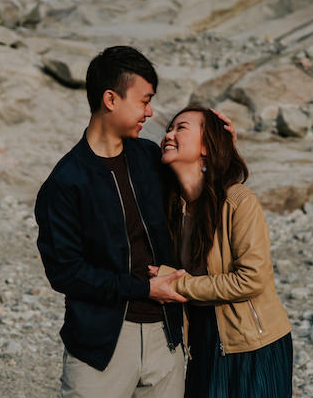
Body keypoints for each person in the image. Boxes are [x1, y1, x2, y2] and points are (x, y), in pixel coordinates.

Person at [35, 46, 235, 398]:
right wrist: (143, 289)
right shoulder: (65, 183)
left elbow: (201, 194)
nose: (150, 111)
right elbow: (65, 272)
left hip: (166, 336)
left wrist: (222, 150)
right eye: (144, 101)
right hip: (101, 347)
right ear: (111, 99)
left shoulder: (149, 157)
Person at [151, 106, 293, 398]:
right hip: (202, 342)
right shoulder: (174, 206)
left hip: (253, 344)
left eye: (181, 128)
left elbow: (251, 279)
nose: (169, 134)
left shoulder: (238, 201)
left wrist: (177, 284)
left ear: (205, 147)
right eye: (169, 128)